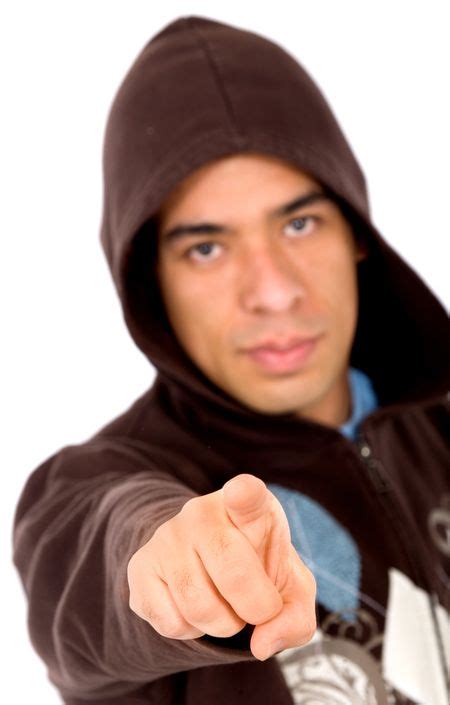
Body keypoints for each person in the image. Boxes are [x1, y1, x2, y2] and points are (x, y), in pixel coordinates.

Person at [12, 14, 449, 705]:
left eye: (299, 222)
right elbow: (92, 562)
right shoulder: (98, 487)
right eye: (207, 248)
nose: (273, 290)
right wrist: (169, 564)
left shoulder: (439, 421)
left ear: (357, 235)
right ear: (151, 281)